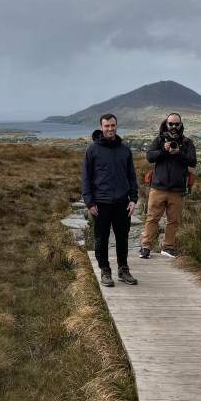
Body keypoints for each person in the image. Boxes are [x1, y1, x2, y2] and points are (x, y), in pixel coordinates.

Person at [82, 114, 139, 287]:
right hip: (101, 203)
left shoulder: (125, 150)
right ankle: (105, 271)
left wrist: (133, 199)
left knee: (123, 238)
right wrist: (90, 202)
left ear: (116, 126)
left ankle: (123, 269)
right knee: (101, 239)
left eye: (113, 125)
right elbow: (86, 178)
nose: (110, 129)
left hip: (122, 202)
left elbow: (131, 176)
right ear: (101, 127)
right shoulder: (93, 150)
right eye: (106, 126)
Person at [140, 112, 197, 258]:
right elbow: (150, 157)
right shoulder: (159, 140)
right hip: (158, 187)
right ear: (166, 124)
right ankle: (146, 247)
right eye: (171, 124)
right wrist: (163, 150)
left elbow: (193, 161)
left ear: (180, 125)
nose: (173, 127)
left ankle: (168, 247)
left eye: (176, 124)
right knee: (152, 218)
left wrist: (178, 152)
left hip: (177, 190)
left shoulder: (186, 142)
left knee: (173, 221)